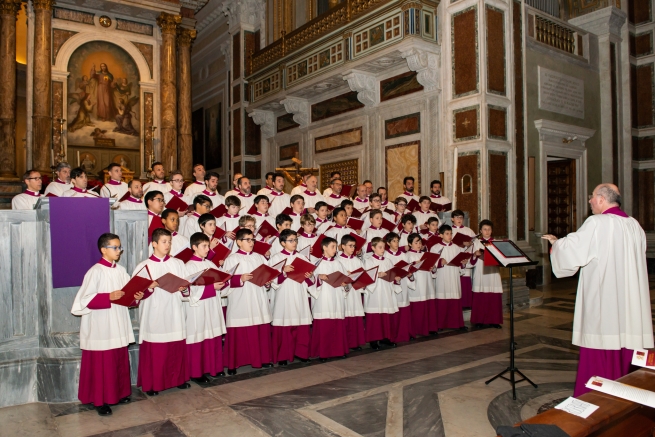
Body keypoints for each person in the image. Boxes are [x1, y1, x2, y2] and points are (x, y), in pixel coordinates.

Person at [542, 183, 653, 396]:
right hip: (630, 306)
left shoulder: (597, 223)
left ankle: (594, 400)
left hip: (606, 305)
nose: (590, 201)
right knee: (625, 354)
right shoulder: (635, 226)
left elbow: (574, 251)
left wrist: (556, 244)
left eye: (592, 197)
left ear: (601, 199)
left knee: (600, 352)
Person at [71, 233, 148, 416]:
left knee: (118, 358)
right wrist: (107, 297)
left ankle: (119, 393)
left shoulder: (121, 270)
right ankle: (100, 399)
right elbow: (83, 301)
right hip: (101, 324)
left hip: (118, 320)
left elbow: (128, 293)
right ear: (103, 249)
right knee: (102, 362)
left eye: (120, 247)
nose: (119, 251)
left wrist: (135, 297)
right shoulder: (95, 271)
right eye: (115, 247)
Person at [133, 228, 190, 396]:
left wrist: (183, 288)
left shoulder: (177, 263)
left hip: (174, 308)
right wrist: (148, 287)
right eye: (164, 242)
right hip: (154, 311)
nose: (168, 245)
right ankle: (153, 384)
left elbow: (187, 288)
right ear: (154, 244)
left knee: (175, 346)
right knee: (156, 350)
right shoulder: (144, 266)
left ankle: (177, 379)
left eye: (170, 242)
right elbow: (134, 295)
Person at [222, 228, 275, 375]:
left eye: (253, 240)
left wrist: (267, 282)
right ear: (238, 242)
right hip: (241, 299)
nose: (251, 243)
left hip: (258, 297)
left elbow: (267, 276)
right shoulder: (231, 259)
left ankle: (263, 359)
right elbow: (224, 282)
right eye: (248, 240)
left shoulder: (259, 258)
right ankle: (234, 363)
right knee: (239, 331)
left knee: (260, 329)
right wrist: (239, 278)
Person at [184, 232, 227, 382]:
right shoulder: (188, 267)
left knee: (212, 334)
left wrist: (224, 281)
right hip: (198, 307)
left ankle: (214, 368)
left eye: (208, 246)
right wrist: (211, 288)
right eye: (204, 246)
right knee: (199, 336)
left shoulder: (210, 264)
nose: (208, 249)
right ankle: (196, 372)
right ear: (194, 247)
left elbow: (220, 281)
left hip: (212, 304)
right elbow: (189, 291)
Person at [268, 229, 314, 365]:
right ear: (282, 243)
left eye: (295, 240)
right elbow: (271, 280)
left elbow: (310, 279)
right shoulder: (276, 258)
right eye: (291, 240)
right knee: (285, 325)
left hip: (299, 293)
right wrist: (283, 272)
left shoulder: (302, 257)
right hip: (284, 294)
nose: (294, 243)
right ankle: (283, 355)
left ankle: (302, 352)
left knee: (301, 324)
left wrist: (309, 276)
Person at [309, 237, 350, 361]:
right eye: (332, 247)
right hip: (323, 298)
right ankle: (323, 352)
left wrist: (345, 284)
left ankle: (338, 350)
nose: (335, 249)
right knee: (324, 326)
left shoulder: (338, 263)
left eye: (336, 247)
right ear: (324, 247)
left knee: (336, 324)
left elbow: (345, 280)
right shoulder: (317, 263)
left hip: (337, 296)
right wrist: (318, 277)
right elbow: (309, 281)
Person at [364, 237, 401, 350]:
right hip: (375, 292)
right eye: (380, 247)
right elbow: (365, 278)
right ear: (373, 248)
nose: (382, 249)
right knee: (375, 317)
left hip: (386, 291)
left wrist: (396, 279)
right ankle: (374, 340)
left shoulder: (388, 261)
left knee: (386, 315)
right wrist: (376, 275)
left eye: (384, 247)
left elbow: (392, 275)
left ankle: (386, 338)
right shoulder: (369, 261)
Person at [469, 219, 503, 330]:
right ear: (480, 230)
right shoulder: (476, 243)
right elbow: (471, 260)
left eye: (489, 229)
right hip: (481, 271)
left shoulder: (497, 242)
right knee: (480, 297)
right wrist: (475, 254)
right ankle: (479, 320)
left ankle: (494, 320)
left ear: (491, 230)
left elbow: (501, 259)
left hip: (493, 272)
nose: (487, 231)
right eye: (484, 229)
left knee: (493, 297)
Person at [431, 224, 467, 331]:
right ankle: (441, 324)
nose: (450, 236)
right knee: (442, 299)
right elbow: (431, 264)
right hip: (442, 276)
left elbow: (461, 265)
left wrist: (463, 263)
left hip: (454, 275)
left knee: (454, 298)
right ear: (441, 235)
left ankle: (457, 323)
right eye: (447, 234)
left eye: (451, 233)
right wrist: (439, 262)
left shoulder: (457, 248)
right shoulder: (435, 248)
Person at [337, 235, 366, 350]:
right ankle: (346, 343)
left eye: (354, 246)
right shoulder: (338, 260)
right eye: (350, 246)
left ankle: (354, 342)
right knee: (346, 315)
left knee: (354, 316)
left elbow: (363, 275)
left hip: (355, 291)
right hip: (344, 293)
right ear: (343, 246)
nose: (353, 248)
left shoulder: (357, 261)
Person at [405, 233, 436, 337]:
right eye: (416, 242)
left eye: (420, 242)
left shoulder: (425, 254)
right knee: (418, 307)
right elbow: (406, 271)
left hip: (427, 281)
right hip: (417, 283)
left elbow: (433, 267)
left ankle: (430, 327)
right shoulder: (408, 255)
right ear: (410, 244)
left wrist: (433, 268)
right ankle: (418, 329)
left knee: (428, 303)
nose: (419, 244)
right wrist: (414, 264)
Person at [385, 232, 414, 343]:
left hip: (403, 283)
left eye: (397, 241)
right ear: (388, 243)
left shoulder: (403, 255)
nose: (396, 243)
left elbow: (407, 268)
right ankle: (394, 335)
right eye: (394, 241)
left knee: (404, 308)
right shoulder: (386, 256)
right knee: (394, 309)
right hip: (391, 285)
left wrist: (409, 273)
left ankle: (405, 333)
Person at [451, 210, 476, 309]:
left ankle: (466, 304)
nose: (459, 219)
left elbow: (475, 243)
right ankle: (457, 303)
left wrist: (470, 244)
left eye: (461, 217)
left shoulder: (468, 230)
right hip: (454, 258)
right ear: (452, 219)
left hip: (465, 258)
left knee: (465, 281)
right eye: (457, 217)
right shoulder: (449, 230)